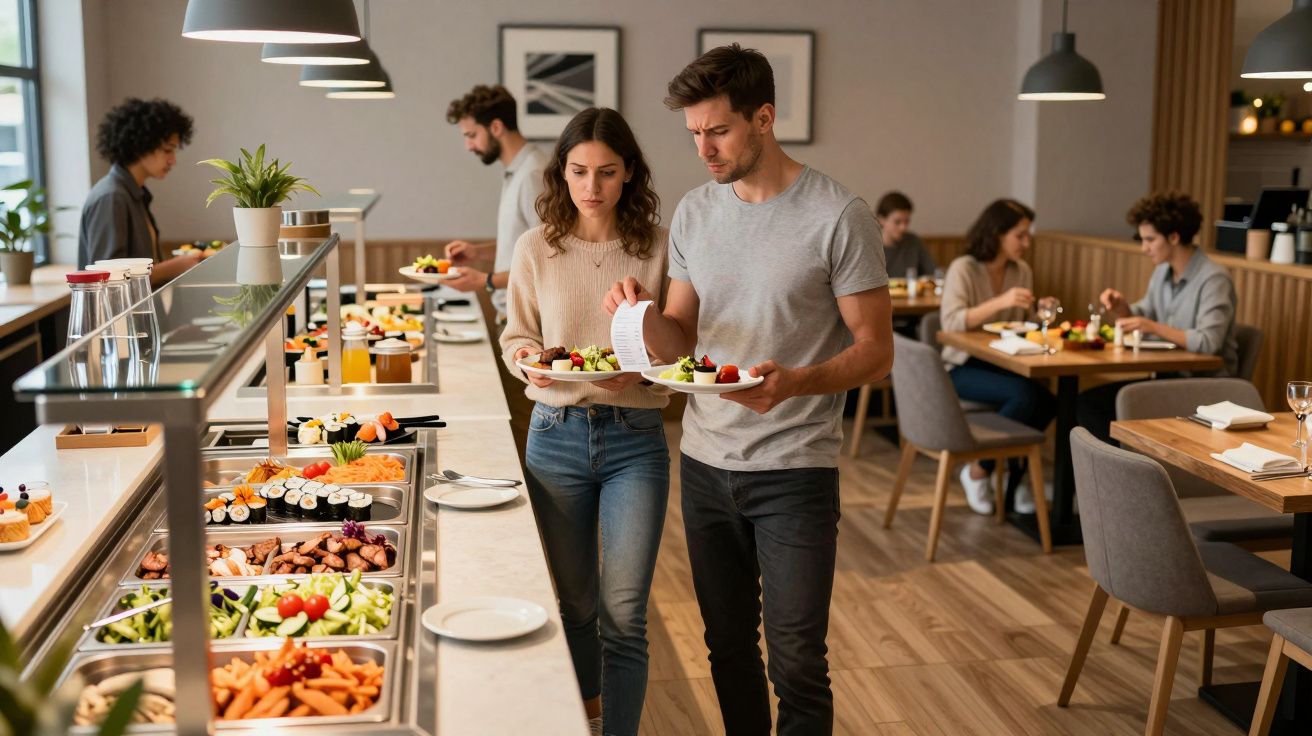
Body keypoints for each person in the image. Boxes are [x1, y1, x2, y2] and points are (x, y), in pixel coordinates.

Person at [604, 45, 893, 736]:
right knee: (727, 649)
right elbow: (680, 335)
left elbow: (876, 353)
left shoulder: (837, 214)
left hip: (795, 468)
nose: (703, 148)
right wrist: (640, 317)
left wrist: (798, 383)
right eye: (694, 134)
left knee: (796, 661)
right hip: (705, 464)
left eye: (718, 131)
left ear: (763, 117)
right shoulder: (697, 214)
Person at [499, 107, 669, 736]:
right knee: (574, 605)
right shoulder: (535, 247)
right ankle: (585, 720)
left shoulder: (656, 245)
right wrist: (529, 366)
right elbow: (518, 334)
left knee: (625, 613)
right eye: (577, 171)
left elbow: (679, 347)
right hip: (555, 435)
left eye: (606, 172)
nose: (590, 186)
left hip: (637, 440)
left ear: (629, 175)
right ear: (561, 173)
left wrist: (646, 373)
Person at [1077, 191, 1238, 443]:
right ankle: (1121, 478)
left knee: (1094, 405)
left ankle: (1128, 478)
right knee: (1088, 402)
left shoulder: (1214, 279)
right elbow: (1145, 313)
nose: (1144, 248)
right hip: (1168, 378)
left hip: (1205, 388)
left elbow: (1209, 342)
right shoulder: (1163, 272)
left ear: (1174, 237)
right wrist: (1122, 308)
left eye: (1150, 240)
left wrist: (1152, 326)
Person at [939, 199, 1056, 515]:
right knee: (1027, 395)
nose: (1026, 243)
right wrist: (1000, 301)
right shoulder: (964, 268)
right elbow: (950, 322)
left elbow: (1023, 323)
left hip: (1003, 361)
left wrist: (1039, 314)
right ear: (996, 233)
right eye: (1020, 235)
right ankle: (979, 471)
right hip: (961, 365)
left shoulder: (1022, 271)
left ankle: (1013, 483)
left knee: (1048, 400)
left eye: (1027, 235)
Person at [442, 84, 549, 324]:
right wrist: (477, 252)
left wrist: (485, 280)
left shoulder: (533, 174)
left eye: (472, 135)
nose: (468, 146)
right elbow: (525, 245)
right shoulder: (517, 172)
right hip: (514, 316)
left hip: (529, 321)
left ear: (496, 127)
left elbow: (546, 259)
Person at [79, 98, 200, 285]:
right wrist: (175, 266)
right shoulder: (112, 197)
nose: (173, 161)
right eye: (168, 150)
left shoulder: (133, 193)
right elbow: (110, 278)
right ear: (141, 145)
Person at [876, 190, 936, 277]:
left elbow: (932, 273)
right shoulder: (871, 247)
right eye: (897, 222)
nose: (903, 227)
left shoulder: (914, 241)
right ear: (882, 220)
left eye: (906, 221)